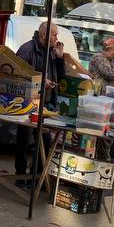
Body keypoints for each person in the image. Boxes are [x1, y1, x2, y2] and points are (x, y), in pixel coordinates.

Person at [13, 20, 67, 184]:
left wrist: (59, 58)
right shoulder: (27, 49)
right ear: (44, 35)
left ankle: (34, 179)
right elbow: (18, 75)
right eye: (54, 34)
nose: (57, 37)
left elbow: (61, 76)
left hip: (45, 105)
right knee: (24, 140)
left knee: (44, 144)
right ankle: (20, 177)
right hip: (28, 104)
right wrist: (41, 81)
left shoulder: (52, 51)